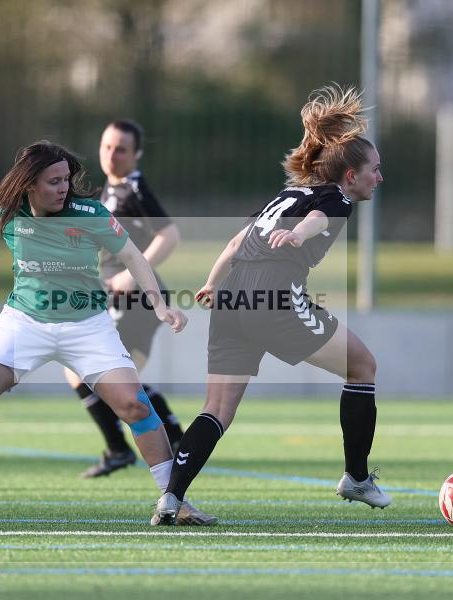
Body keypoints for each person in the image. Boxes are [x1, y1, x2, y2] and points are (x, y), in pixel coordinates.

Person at [0, 141, 215, 525]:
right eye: (54, 181)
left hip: (87, 327)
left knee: (134, 405)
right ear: (30, 183)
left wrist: (160, 305)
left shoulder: (89, 212)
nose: (64, 187)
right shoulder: (8, 213)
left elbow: (133, 256)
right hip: (24, 323)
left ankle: (173, 500)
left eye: (66, 179)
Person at [151, 84, 391, 525]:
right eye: (375, 169)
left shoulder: (283, 196)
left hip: (231, 297)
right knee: (363, 367)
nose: (380, 177)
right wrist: (299, 235)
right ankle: (356, 477)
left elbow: (236, 241)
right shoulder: (333, 198)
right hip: (273, 297)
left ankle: (170, 499)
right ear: (350, 175)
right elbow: (319, 221)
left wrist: (210, 283)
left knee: (217, 409)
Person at [65, 119, 185, 479]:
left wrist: (128, 275)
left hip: (140, 301)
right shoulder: (111, 190)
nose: (112, 155)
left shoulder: (133, 189)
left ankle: (152, 446)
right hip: (118, 301)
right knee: (84, 373)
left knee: (105, 379)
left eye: (121, 149)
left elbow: (169, 235)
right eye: (107, 147)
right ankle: (142, 445)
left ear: (136, 155)